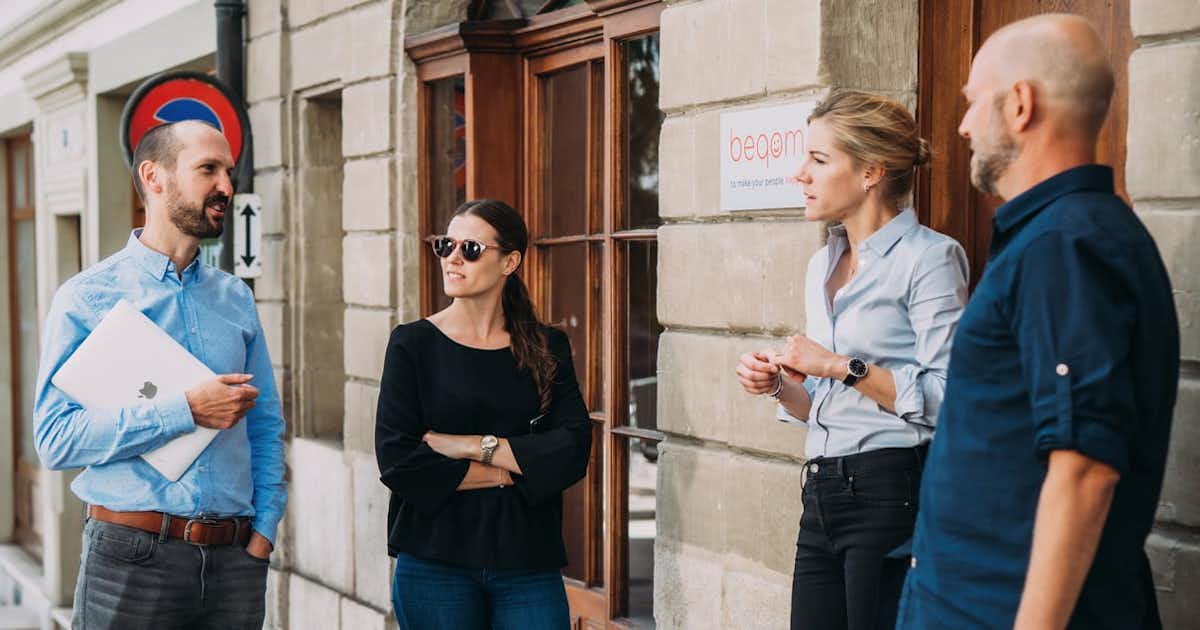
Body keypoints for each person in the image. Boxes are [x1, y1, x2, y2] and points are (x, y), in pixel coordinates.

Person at [897, 14, 1179, 630]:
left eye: (972, 104)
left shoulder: (1065, 245)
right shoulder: (1061, 238)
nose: (964, 125)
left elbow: (1084, 467)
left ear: (1020, 104)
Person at [34, 120, 286, 629]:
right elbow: (55, 440)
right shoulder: (87, 298)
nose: (227, 187)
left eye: (229, 172)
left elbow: (265, 425)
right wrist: (184, 410)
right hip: (130, 559)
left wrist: (264, 530)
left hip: (235, 562)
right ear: (154, 176)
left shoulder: (234, 297)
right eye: (208, 170)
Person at [735, 90, 968, 630]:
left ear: (870, 171)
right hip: (820, 490)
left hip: (893, 491)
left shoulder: (930, 259)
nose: (800, 174)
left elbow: (950, 398)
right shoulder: (823, 263)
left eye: (818, 160)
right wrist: (777, 386)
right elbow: (821, 404)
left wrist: (840, 365)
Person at [375, 199, 592, 630]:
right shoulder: (412, 345)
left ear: (509, 261)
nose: (453, 257)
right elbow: (399, 461)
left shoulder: (547, 348)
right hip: (435, 564)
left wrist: (470, 446)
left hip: (527, 561)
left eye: (470, 248)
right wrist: (513, 469)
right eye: (446, 245)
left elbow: (571, 449)